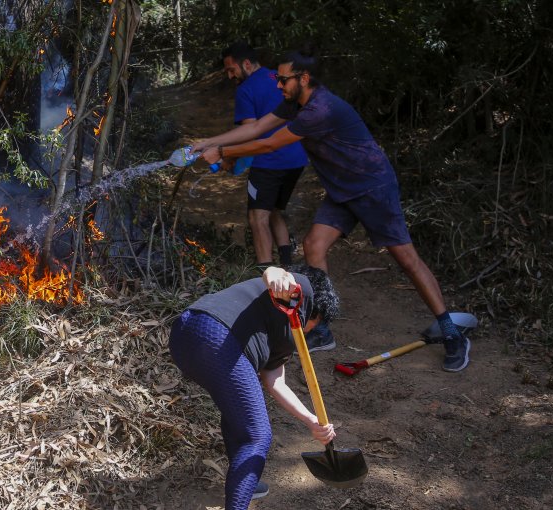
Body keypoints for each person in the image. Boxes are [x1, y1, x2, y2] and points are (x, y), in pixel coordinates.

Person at [192, 47, 471, 372]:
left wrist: (224, 151)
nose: (278, 85)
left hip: (372, 187)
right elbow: (257, 129)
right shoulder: (295, 102)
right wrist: (209, 142)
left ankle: (451, 332)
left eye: (282, 80)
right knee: (313, 245)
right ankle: (321, 328)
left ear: (304, 78)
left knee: (407, 260)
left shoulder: (320, 109)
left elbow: (270, 143)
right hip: (342, 191)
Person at [169, 265, 338, 508]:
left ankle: (242, 482)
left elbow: (275, 380)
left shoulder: (276, 325)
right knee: (258, 435)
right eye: (316, 324)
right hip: (216, 337)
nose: (311, 331)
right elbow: (276, 274)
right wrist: (277, 277)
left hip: (185, 334)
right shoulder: (303, 292)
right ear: (316, 313)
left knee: (239, 416)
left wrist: (311, 420)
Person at [219, 42, 309, 271]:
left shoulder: (246, 90)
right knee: (273, 210)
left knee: (257, 217)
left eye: (232, 70)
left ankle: (266, 273)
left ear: (246, 64)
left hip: (269, 161)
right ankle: (288, 264)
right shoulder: (278, 77)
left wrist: (228, 156)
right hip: (297, 158)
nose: (230, 76)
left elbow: (250, 131)